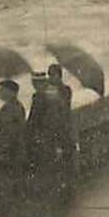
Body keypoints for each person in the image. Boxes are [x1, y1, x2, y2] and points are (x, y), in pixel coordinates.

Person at [26, 71, 76, 207]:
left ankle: (53, 199)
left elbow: (34, 120)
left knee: (48, 167)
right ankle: (61, 196)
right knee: (57, 168)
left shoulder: (39, 97)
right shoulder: (54, 93)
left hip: (47, 138)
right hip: (58, 136)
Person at [0, 79, 27, 210]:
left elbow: (2, 125)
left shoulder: (10, 108)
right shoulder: (16, 106)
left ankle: (9, 209)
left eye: (2, 90)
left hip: (9, 150)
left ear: (11, 92)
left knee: (7, 181)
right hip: (15, 149)